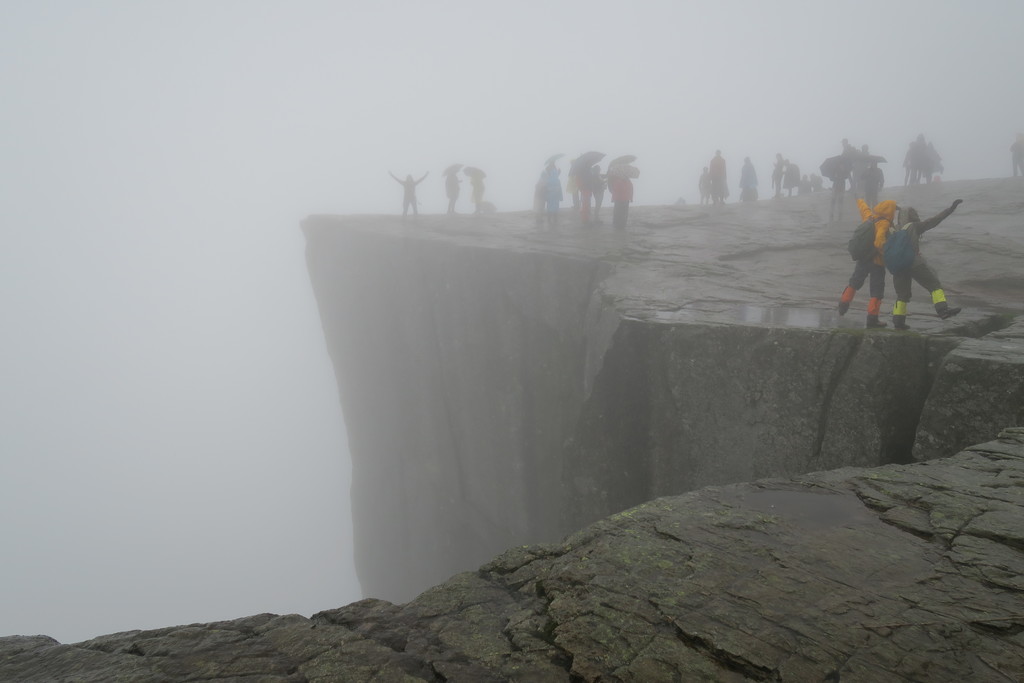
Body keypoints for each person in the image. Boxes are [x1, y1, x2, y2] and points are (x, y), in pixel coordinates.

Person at [888, 200, 964, 330]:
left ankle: (898, 321)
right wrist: (950, 209)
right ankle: (943, 310)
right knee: (934, 285)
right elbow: (934, 220)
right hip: (914, 264)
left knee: (902, 295)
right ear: (912, 215)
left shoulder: (893, 229)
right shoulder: (914, 226)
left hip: (898, 266)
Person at [837, 199, 897, 328]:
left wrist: (859, 200)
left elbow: (863, 209)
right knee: (877, 291)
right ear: (890, 211)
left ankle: (843, 305)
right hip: (877, 262)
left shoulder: (870, 218)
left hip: (863, 259)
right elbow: (879, 242)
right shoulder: (884, 223)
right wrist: (885, 253)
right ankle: (872, 318)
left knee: (854, 282)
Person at [608, 164, 636, 230]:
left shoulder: (621, 181)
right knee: (621, 212)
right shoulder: (621, 181)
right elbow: (615, 190)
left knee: (620, 212)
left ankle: (620, 224)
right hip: (621, 199)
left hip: (622, 199)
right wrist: (630, 197)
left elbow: (631, 190)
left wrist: (631, 197)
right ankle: (619, 224)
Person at [540, 162, 563, 228]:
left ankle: (549, 219)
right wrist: (560, 197)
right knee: (556, 207)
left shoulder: (548, 179)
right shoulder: (557, 180)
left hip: (550, 196)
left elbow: (546, 188)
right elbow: (560, 189)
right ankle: (555, 219)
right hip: (556, 196)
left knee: (549, 207)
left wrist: (546, 196)